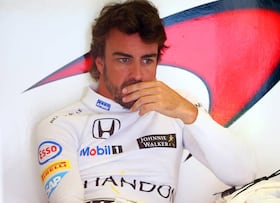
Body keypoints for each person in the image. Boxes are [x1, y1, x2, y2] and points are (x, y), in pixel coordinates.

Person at [35, 0, 256, 202]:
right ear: (100, 62)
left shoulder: (177, 107)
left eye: (147, 60)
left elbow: (244, 175)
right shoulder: (60, 124)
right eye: (124, 59)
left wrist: (188, 113)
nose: (138, 74)